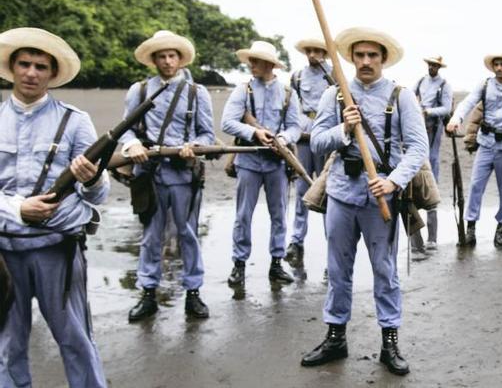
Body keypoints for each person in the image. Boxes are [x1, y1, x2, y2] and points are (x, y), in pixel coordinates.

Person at [301, 27, 428, 375]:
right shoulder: (335, 94)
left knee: (385, 272)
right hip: (342, 194)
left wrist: (393, 181)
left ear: (383, 59)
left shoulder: (401, 96)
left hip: (380, 199)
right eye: (360, 56)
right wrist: (343, 128)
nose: (366, 61)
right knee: (338, 271)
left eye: (373, 55)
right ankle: (335, 337)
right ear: (351, 58)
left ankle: (389, 342)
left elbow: (419, 148)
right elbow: (316, 142)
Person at [0, 27, 110, 387]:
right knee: (7, 345)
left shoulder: (75, 120)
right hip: (4, 252)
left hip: (56, 250)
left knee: (75, 340)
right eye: (25, 64)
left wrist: (92, 178)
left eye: (41, 66)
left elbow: (98, 196)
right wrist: (18, 210)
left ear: (52, 74)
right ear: (13, 68)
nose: (32, 72)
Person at [122, 30, 215, 322]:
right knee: (151, 236)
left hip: (184, 176)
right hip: (150, 174)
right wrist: (133, 144)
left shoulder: (196, 92)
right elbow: (126, 128)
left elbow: (207, 134)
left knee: (188, 234)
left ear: (180, 58)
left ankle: (193, 293)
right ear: (153, 60)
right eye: (161, 56)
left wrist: (193, 147)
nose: (167, 61)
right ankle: (148, 292)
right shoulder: (138, 91)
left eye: (171, 55)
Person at [221, 41, 301, 287]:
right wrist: (254, 133)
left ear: (269, 64)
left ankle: (276, 263)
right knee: (243, 215)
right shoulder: (242, 90)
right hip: (248, 162)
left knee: (279, 215)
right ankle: (239, 264)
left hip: (277, 163)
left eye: (255, 61)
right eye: (251, 60)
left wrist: (283, 139)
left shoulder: (288, 93)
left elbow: (295, 127)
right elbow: (227, 122)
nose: (251, 65)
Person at [446, 54, 502, 248]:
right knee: (475, 185)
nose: (499, 68)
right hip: (485, 142)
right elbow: (468, 102)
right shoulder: (484, 85)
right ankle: (470, 228)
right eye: (496, 65)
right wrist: (456, 119)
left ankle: (501, 230)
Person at [286, 38, 335, 271]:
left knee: (328, 191)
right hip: (304, 139)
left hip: (326, 140)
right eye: (310, 51)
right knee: (302, 191)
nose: (314, 55)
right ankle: (297, 241)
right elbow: (293, 108)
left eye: (318, 51)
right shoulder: (297, 77)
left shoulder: (333, 74)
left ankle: (333, 245)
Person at [410, 55, 453, 257]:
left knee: (431, 178)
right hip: (417, 129)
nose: (432, 68)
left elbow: (446, 108)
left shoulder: (444, 85)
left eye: (435, 65)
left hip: (433, 130)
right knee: (411, 180)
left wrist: (428, 112)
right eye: (430, 65)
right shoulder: (420, 82)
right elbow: (410, 100)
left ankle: (432, 238)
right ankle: (415, 240)